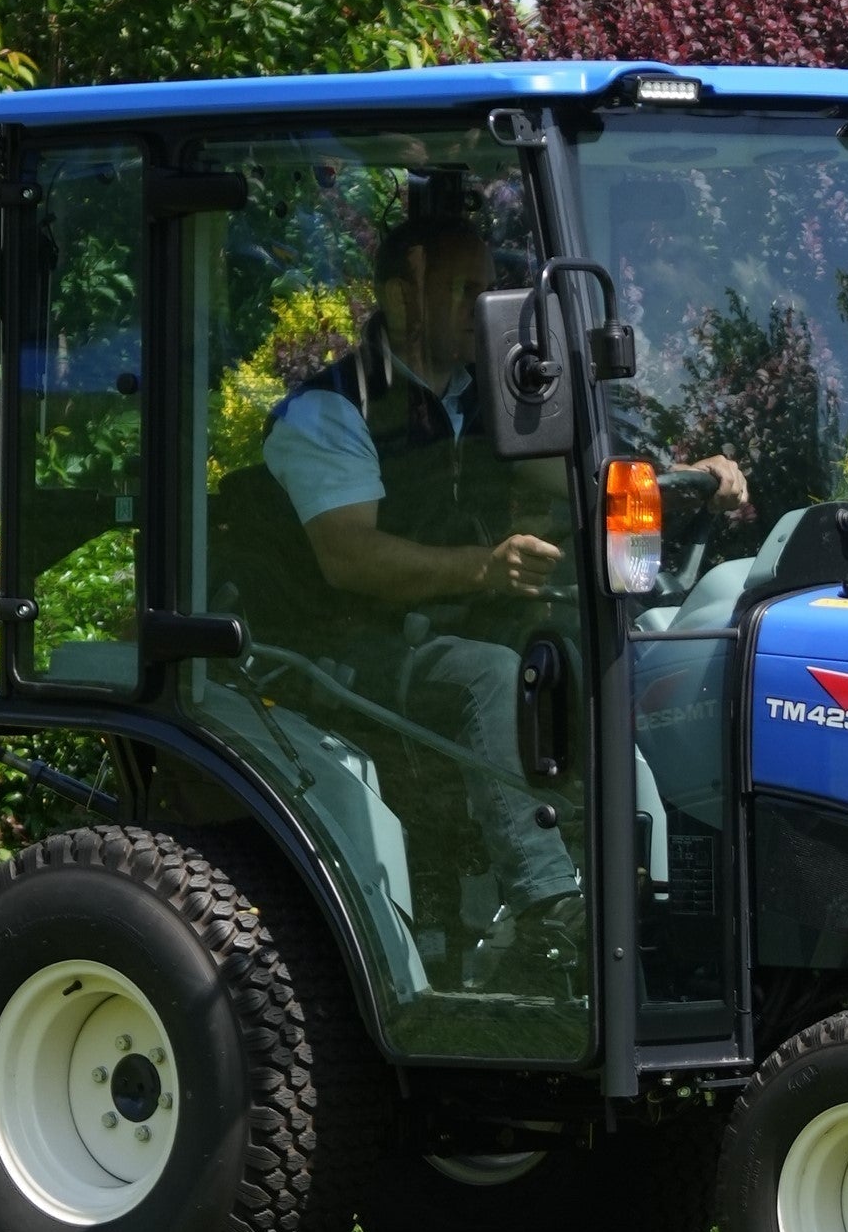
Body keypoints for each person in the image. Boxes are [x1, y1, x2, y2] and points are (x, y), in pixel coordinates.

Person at [262, 197, 746, 993]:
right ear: (401, 295)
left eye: (493, 291)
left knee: (594, 648)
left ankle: (652, 877)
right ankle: (553, 911)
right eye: (465, 291)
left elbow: (578, 478)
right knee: (496, 675)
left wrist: (688, 477)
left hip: (462, 629)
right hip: (352, 650)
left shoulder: (485, 404)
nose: (489, 311)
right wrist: (484, 569)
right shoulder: (329, 411)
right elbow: (350, 559)